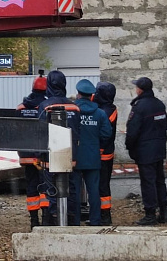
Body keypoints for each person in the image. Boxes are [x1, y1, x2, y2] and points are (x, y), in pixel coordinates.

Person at [125, 77, 167, 226]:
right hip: (159, 149)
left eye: (136, 86)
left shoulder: (139, 107)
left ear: (140, 89)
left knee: (148, 182)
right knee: (159, 181)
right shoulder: (159, 104)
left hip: (145, 151)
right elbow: (165, 125)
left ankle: (150, 215)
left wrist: (130, 147)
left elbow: (132, 131)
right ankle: (163, 213)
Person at [70, 79, 112, 226]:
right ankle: (95, 220)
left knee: (74, 191)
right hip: (93, 156)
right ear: (91, 96)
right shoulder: (100, 113)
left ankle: (74, 221)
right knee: (93, 191)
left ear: (79, 94)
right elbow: (107, 133)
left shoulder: (72, 111)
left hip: (74, 156)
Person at [37, 70, 75, 225]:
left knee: (51, 189)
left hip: (49, 157)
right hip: (70, 157)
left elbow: (40, 132)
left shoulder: (45, 106)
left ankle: (52, 221)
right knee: (70, 189)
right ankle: (71, 221)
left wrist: (40, 156)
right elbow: (77, 134)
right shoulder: (74, 107)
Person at [16, 73, 48, 228]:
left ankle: (34, 221)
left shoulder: (21, 107)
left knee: (31, 187)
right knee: (45, 185)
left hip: (26, 156)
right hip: (42, 156)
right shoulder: (46, 107)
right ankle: (47, 218)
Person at [93, 81, 118, 225]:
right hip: (104, 153)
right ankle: (102, 214)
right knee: (100, 185)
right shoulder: (107, 107)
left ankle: (105, 215)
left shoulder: (107, 112)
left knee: (102, 186)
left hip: (103, 154)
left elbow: (104, 134)